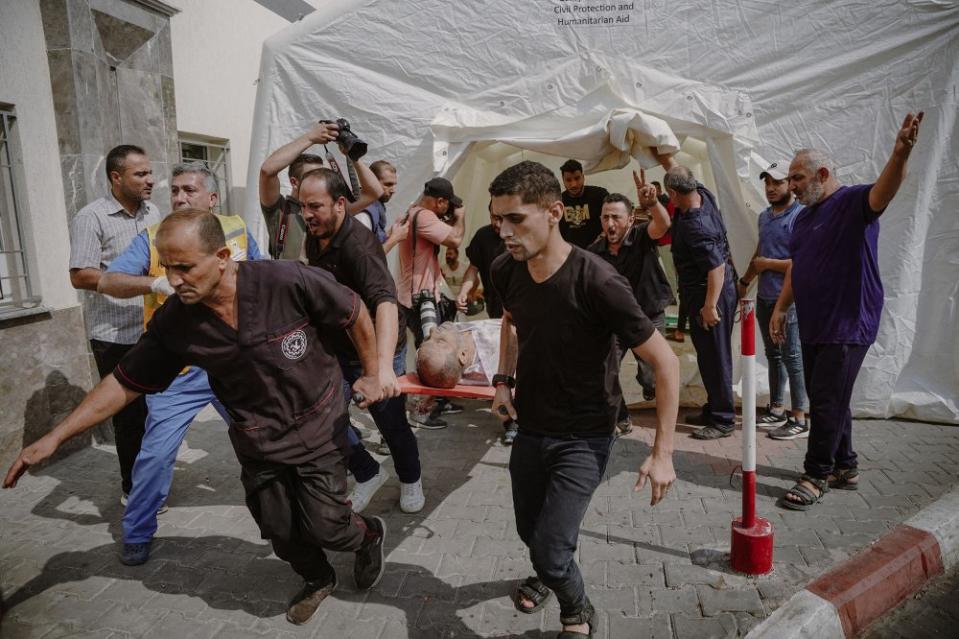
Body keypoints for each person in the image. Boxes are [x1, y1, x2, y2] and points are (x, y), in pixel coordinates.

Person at [6, 209, 389, 625]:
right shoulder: (177, 321)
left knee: (328, 526)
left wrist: (372, 372)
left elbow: (353, 312)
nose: (172, 280)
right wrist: (55, 437)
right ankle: (318, 578)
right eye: (167, 267)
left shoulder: (284, 280)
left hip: (318, 423)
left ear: (222, 255)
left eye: (184, 267)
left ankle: (368, 535)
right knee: (280, 530)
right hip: (259, 438)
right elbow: (124, 382)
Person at [487, 161, 679, 639]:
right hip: (531, 427)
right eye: (497, 220)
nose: (505, 232)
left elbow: (665, 363)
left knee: (550, 550)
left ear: (555, 212)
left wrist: (663, 455)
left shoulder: (599, 280)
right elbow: (512, 322)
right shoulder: (503, 269)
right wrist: (502, 381)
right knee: (531, 535)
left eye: (516, 219)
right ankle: (551, 568)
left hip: (586, 435)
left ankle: (578, 611)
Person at [96, 162, 263, 565]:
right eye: (174, 190)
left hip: (233, 364)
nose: (178, 197)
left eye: (189, 190)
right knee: (154, 454)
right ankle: (137, 531)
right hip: (179, 372)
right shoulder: (156, 238)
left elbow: (261, 279)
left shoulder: (237, 229)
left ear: (212, 198)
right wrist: (153, 282)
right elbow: (108, 281)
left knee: (263, 443)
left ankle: (287, 515)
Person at [774, 112, 923, 510]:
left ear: (822, 172)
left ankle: (815, 474)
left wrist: (900, 155)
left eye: (797, 178)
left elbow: (885, 192)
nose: (791, 186)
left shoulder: (852, 201)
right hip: (814, 323)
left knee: (824, 400)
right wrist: (781, 308)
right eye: (789, 179)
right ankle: (845, 466)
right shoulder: (803, 220)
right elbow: (797, 267)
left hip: (848, 321)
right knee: (833, 396)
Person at [299, 168, 424, 513]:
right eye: (302, 206)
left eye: (315, 206)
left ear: (340, 204)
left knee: (392, 424)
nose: (306, 214)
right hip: (337, 348)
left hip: (378, 348)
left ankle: (411, 478)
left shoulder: (359, 245)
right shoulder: (316, 233)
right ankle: (368, 473)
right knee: (323, 418)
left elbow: (384, 301)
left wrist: (381, 369)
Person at [69, 144, 162, 503]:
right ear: (116, 177)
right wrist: (143, 284)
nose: (150, 180)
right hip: (115, 336)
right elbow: (80, 276)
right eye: (140, 174)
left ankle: (153, 480)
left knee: (156, 412)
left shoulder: (152, 211)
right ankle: (134, 491)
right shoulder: (91, 217)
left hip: (153, 328)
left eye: (150, 172)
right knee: (129, 417)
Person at [588, 174, 672, 431]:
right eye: (605, 217)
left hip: (649, 315)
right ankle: (621, 416)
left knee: (651, 375)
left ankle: (646, 380)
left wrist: (652, 204)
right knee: (603, 368)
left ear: (631, 219)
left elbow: (663, 224)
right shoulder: (595, 252)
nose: (610, 223)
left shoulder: (641, 236)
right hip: (616, 321)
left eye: (616, 217)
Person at [665, 164, 739, 440]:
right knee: (708, 356)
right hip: (707, 290)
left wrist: (709, 306)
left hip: (711, 292)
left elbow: (716, 268)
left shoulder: (697, 225)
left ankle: (723, 420)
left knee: (716, 357)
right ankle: (714, 407)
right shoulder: (702, 193)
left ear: (673, 193)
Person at [737, 161, 809, 440]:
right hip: (765, 297)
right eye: (767, 182)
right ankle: (777, 409)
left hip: (788, 299)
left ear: (791, 183)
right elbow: (760, 251)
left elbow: (801, 262)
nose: (770, 188)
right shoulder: (765, 216)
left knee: (793, 356)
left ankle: (800, 418)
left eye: (776, 182)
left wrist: (768, 263)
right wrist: (745, 281)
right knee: (773, 355)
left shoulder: (800, 216)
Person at [259, 121, 383, 260]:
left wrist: (353, 157)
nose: (320, 182)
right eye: (312, 177)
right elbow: (267, 170)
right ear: (294, 182)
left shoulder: (329, 209)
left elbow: (374, 192)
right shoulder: (280, 210)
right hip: (288, 281)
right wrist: (310, 138)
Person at [415, 319, 519, 444]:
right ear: (463, 355)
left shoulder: (456, 344)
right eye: (440, 341)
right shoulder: (495, 347)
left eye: (427, 339)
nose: (432, 330)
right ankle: (512, 423)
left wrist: (431, 393)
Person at [456, 203, 506, 319]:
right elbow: (473, 269)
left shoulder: (521, 235)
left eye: (502, 219)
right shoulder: (483, 236)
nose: (497, 224)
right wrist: (463, 292)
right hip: (493, 304)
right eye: (494, 217)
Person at [559, 159, 609, 248]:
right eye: (568, 180)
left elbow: (614, 215)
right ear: (563, 180)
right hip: (570, 254)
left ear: (583, 177)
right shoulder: (558, 201)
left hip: (598, 251)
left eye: (577, 178)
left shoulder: (600, 195)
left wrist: (602, 237)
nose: (573, 184)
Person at [355, 160, 397, 243]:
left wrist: (392, 232)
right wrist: (395, 238)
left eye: (395, 185)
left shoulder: (376, 206)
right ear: (371, 182)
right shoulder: (365, 213)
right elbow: (364, 255)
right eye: (388, 184)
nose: (393, 190)